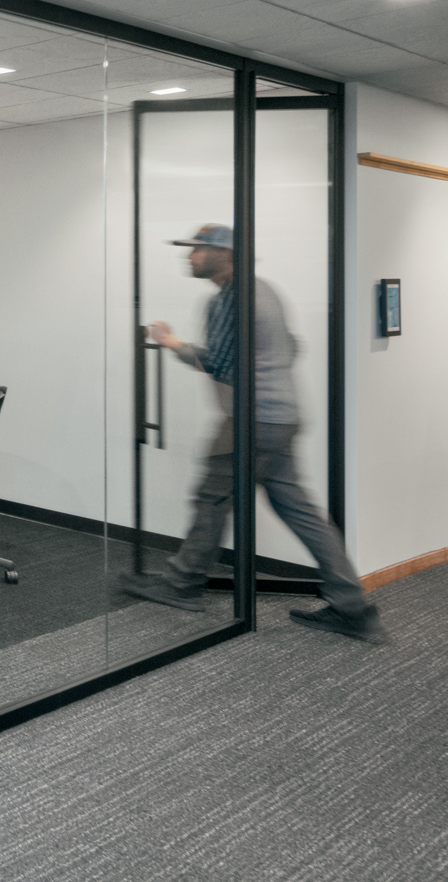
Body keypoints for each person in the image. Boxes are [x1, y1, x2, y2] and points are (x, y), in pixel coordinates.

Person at [122, 225, 378, 641]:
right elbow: (294, 346)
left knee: (211, 498)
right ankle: (352, 605)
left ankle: (182, 583)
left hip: (251, 421)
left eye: (198, 249)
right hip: (283, 416)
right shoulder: (266, 290)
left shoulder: (228, 298)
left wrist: (171, 343)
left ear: (227, 253)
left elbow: (221, 364)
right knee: (301, 512)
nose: (190, 257)